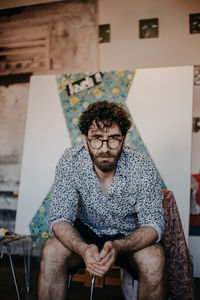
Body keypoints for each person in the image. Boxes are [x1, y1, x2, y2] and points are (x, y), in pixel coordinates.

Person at [38, 100, 167, 300]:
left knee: (155, 258)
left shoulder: (142, 165)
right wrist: (82, 247)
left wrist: (118, 246)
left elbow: (153, 224)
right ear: (84, 139)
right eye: (97, 138)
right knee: (52, 250)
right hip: (86, 232)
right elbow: (59, 218)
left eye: (113, 139)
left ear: (123, 140)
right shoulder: (71, 161)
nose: (105, 148)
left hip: (128, 236)